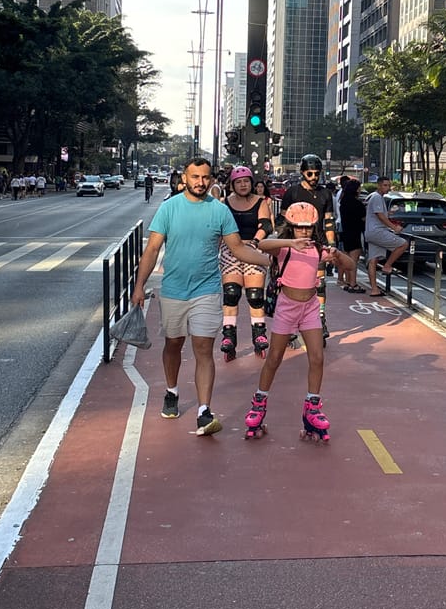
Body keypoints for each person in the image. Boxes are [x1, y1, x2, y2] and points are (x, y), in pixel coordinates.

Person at [131, 157, 271, 436]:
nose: (200, 182)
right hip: (173, 290)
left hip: (206, 290)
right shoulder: (169, 208)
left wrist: (272, 262)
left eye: (205, 177)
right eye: (195, 177)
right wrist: (139, 286)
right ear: (185, 178)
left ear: (212, 180)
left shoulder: (220, 211)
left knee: (204, 349)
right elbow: (152, 249)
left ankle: (204, 412)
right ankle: (171, 391)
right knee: (173, 343)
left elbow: (237, 248)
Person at [243, 202, 355, 442]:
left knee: (317, 357)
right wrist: (290, 243)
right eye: (298, 227)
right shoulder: (284, 248)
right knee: (274, 358)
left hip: (310, 308)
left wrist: (337, 254)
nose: (303, 231)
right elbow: (262, 244)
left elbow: (350, 266)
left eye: (308, 227)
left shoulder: (317, 249)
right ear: (291, 227)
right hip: (287, 307)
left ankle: (312, 406)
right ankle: (259, 403)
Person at [219, 166, 273, 360]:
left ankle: (259, 334)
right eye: (239, 182)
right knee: (231, 293)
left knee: (255, 295)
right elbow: (219, 227)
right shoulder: (225, 203)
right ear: (232, 185)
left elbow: (266, 225)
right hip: (231, 249)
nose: (243, 185)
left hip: (253, 248)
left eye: (246, 181)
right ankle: (228, 335)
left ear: (251, 183)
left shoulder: (260, 202)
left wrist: (256, 242)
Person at [280, 154, 336, 340]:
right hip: (294, 244)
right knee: (291, 282)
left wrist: (331, 245)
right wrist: (284, 244)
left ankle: (320, 317)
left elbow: (329, 222)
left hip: (317, 244)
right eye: (310, 173)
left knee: (319, 284)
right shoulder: (292, 193)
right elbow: (283, 221)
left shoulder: (325, 194)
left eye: (317, 174)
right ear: (302, 173)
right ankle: (290, 322)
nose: (314, 177)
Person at [365, 176, 408, 293]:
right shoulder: (377, 197)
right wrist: (394, 228)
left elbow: (380, 214)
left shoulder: (376, 197)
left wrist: (389, 213)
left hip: (371, 232)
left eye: (389, 185)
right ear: (379, 185)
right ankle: (387, 266)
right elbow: (380, 216)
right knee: (403, 244)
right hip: (377, 232)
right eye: (385, 185)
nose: (388, 188)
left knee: (373, 260)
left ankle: (374, 289)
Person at [339, 178, 366, 293]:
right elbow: (363, 219)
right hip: (355, 233)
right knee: (354, 261)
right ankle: (353, 284)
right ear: (356, 189)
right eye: (359, 188)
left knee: (347, 260)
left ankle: (348, 281)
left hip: (345, 232)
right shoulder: (358, 204)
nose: (360, 190)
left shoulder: (343, 202)